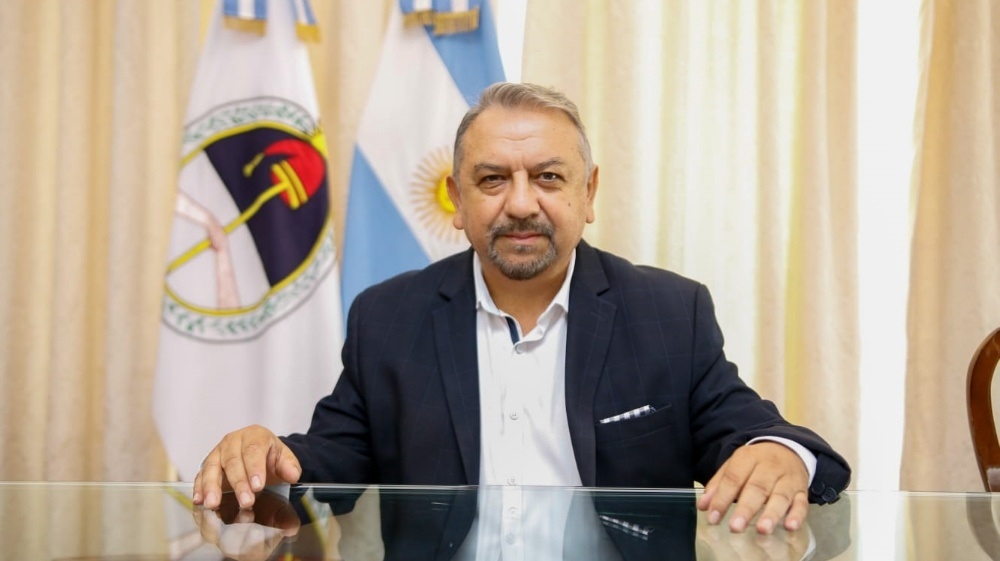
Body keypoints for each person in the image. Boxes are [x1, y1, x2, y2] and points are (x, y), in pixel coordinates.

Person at [192, 82, 851, 537]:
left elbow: (756, 434)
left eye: (548, 177)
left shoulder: (670, 313)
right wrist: (271, 458)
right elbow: (331, 462)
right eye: (492, 179)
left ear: (589, 192)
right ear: (457, 199)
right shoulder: (388, 317)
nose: (521, 203)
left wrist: (779, 452)